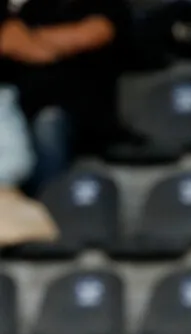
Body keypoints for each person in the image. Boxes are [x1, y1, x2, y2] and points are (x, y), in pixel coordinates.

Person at [0, 0, 131, 192]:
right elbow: (9, 42)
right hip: (14, 102)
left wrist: (32, 38)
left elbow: (93, 33)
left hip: (76, 107)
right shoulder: (28, 8)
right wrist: (42, 44)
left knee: (48, 123)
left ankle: (48, 200)